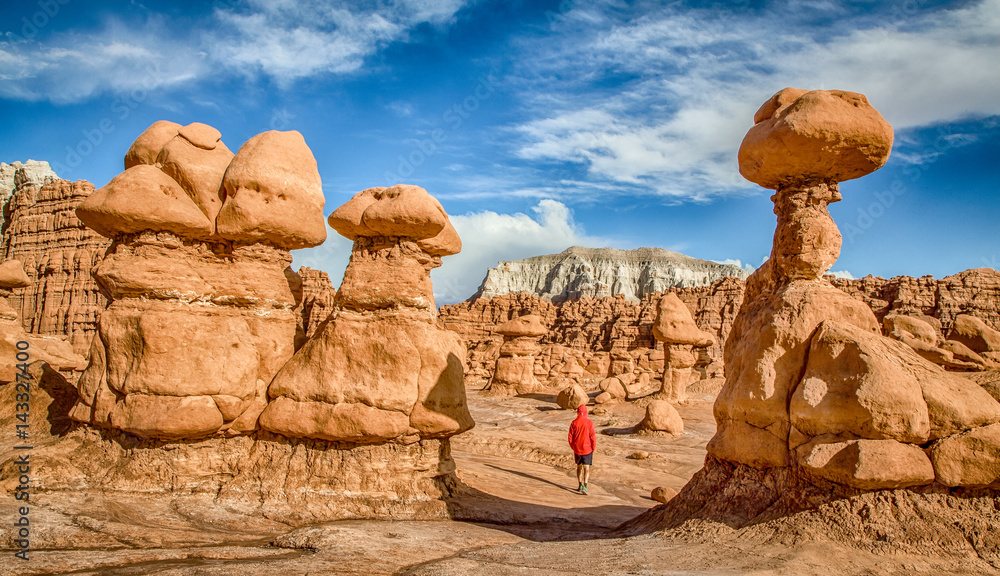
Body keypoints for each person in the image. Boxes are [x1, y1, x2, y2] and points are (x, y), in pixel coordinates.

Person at [568, 404, 596, 494]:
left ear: (578, 412)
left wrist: (573, 447)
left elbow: (570, 437)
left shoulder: (574, 422)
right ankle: (585, 485)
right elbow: (592, 436)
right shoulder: (589, 422)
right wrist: (593, 447)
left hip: (577, 449)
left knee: (579, 466)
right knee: (586, 468)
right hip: (587, 449)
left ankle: (580, 485)